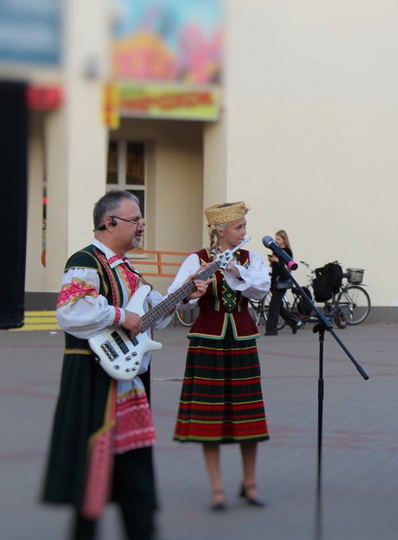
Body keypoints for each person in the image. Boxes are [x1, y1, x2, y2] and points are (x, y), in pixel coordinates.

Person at [42, 190, 209, 540]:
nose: (141, 227)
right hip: (93, 381)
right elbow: (71, 311)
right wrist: (122, 315)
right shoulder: (85, 260)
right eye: (136, 220)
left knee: (134, 473)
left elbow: (153, 317)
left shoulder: (130, 271)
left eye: (141, 221)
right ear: (109, 222)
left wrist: (188, 295)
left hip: (128, 383)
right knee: (90, 475)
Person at [169, 201, 271, 511]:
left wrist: (236, 272)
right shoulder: (196, 259)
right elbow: (176, 299)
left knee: (248, 415)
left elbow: (260, 291)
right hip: (207, 342)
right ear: (220, 231)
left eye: (243, 226)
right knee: (208, 416)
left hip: (241, 340)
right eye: (238, 227)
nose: (244, 232)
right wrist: (192, 288)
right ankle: (217, 488)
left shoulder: (252, 259)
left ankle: (249, 484)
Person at [264, 229, 300, 336]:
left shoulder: (287, 252)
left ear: (284, 239)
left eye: (278, 239)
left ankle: (271, 328)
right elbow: (274, 267)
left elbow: (287, 267)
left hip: (282, 281)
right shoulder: (275, 250)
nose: (276, 241)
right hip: (275, 280)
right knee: (278, 306)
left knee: (274, 306)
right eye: (276, 239)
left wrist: (277, 261)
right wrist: (271, 261)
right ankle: (293, 322)